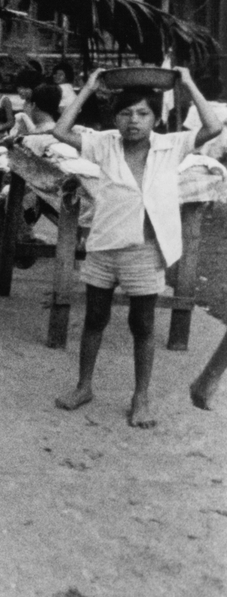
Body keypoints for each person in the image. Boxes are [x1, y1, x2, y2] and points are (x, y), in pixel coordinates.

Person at [51, 68, 222, 428]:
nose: (133, 121)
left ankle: (140, 396)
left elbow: (213, 128)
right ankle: (83, 386)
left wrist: (188, 82)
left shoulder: (170, 145)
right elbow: (60, 131)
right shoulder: (103, 143)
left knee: (142, 324)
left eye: (143, 114)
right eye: (126, 113)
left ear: (156, 119)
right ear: (114, 118)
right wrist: (88, 89)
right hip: (104, 246)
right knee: (95, 319)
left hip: (146, 251)